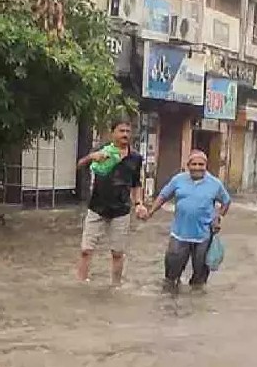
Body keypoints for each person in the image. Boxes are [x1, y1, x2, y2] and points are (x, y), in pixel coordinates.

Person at [137, 150, 231, 290]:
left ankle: (194, 307)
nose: (197, 167)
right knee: (171, 276)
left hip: (203, 236)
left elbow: (226, 201)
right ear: (188, 165)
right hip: (179, 234)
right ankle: (172, 304)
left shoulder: (215, 183)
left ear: (206, 165)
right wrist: (150, 212)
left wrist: (218, 217)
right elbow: (163, 196)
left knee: (199, 278)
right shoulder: (178, 180)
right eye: (194, 164)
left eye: (201, 164)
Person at [75, 119, 144, 285]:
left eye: (128, 131)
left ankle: (115, 286)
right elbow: (79, 165)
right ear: (112, 133)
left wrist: (139, 204)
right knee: (86, 250)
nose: (125, 135)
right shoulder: (101, 151)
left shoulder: (135, 158)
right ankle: (81, 283)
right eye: (121, 131)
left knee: (118, 253)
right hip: (96, 207)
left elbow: (136, 183)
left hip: (121, 210)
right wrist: (92, 157)